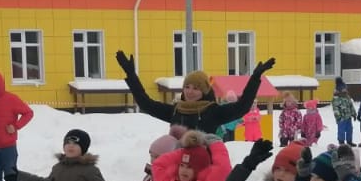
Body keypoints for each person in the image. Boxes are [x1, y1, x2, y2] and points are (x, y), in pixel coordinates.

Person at [114, 50, 275, 134]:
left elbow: (243, 106)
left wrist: (255, 77)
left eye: (196, 88)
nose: (190, 92)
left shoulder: (213, 112)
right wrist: (131, 75)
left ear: (204, 91)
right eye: (187, 87)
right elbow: (146, 104)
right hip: (178, 168)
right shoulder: (176, 110)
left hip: (204, 171)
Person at [332, 78, 356, 146]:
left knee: (349, 129)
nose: (345, 90)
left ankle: (349, 141)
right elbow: (335, 109)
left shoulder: (347, 97)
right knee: (341, 130)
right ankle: (341, 142)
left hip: (348, 117)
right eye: (343, 89)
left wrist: (354, 114)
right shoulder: (336, 98)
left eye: (345, 88)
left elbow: (351, 106)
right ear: (339, 89)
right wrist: (338, 117)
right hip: (341, 118)